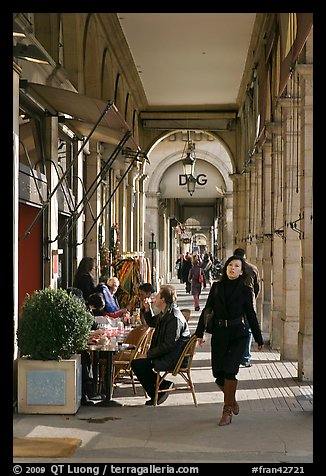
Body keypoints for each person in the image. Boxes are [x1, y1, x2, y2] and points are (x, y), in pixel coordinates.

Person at [195, 255, 264, 426]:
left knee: (230, 371)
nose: (232, 268)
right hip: (219, 334)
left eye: (236, 266)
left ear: (241, 271)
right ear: (226, 268)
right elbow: (207, 309)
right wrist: (199, 333)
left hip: (238, 335)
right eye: (230, 265)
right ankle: (231, 399)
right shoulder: (217, 287)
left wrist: (258, 338)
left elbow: (251, 315)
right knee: (218, 374)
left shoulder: (246, 290)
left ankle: (226, 411)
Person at [131, 284, 191, 406]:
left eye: (158, 295)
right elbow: (153, 323)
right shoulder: (166, 312)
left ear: (163, 299)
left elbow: (169, 344)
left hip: (174, 358)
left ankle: (157, 392)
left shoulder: (174, 317)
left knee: (138, 364)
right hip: (169, 355)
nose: (155, 297)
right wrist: (147, 309)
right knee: (138, 362)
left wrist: (148, 354)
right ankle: (160, 388)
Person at [233, 247, 261, 368]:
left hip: (235, 303)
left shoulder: (233, 269)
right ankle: (245, 358)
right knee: (248, 330)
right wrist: (253, 298)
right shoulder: (253, 269)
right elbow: (257, 287)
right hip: (249, 303)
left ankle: (235, 356)